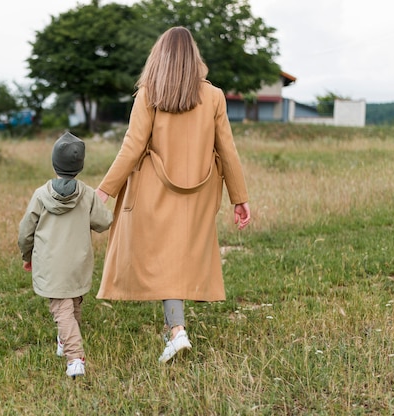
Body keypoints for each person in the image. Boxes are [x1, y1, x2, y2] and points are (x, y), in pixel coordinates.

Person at [95, 26, 251, 363]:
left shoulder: (148, 94)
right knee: (176, 260)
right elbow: (228, 150)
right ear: (195, 59)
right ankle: (174, 330)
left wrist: (105, 190)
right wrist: (240, 197)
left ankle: (176, 332)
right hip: (199, 193)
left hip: (154, 191)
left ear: (159, 57)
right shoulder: (215, 96)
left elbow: (132, 147)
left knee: (162, 260)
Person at [18, 131, 113, 379]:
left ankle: (75, 358)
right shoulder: (87, 194)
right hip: (78, 263)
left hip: (51, 266)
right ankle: (65, 340)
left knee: (62, 310)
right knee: (73, 304)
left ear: (54, 163)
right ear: (79, 166)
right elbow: (104, 222)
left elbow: (25, 232)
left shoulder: (41, 195)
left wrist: (26, 255)